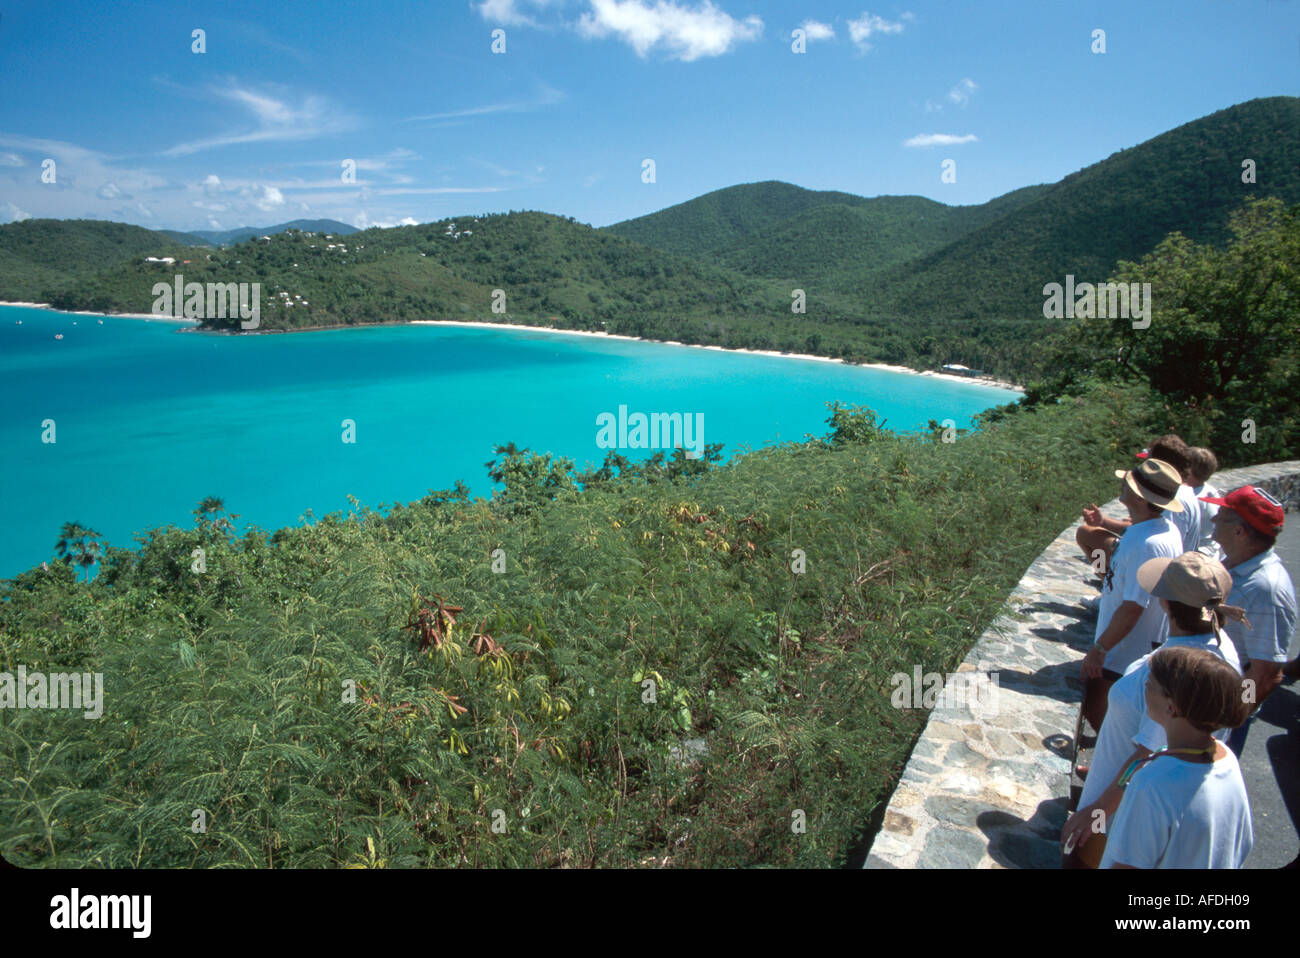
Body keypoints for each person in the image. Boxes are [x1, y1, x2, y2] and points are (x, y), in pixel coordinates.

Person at [1061, 552, 1244, 867]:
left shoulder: (1172, 669)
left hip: (1123, 813)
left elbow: (1147, 755)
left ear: (1167, 604)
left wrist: (1098, 810)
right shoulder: (1219, 647)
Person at [1098, 645, 1254, 869]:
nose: (1144, 685)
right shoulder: (1227, 759)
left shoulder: (1152, 784)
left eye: (1150, 683)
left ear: (1171, 707)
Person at [1079, 458, 1185, 732]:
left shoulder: (1145, 545)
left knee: (1098, 710)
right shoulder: (1163, 529)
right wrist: (1103, 522)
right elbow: (1134, 534)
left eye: (1130, 483)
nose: (1123, 483)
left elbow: (1133, 607)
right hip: (1139, 645)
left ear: (1139, 497)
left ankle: (1118, 768)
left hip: (1123, 651)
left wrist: (1100, 648)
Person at [1203, 485, 1297, 754]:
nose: (1213, 518)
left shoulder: (1267, 591)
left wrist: (1232, 716)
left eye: (1220, 513)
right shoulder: (1235, 561)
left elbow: (1266, 673)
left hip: (1217, 713)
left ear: (1239, 532)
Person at [1077, 435, 1199, 568]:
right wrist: (1103, 522)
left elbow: (1152, 538)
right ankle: (1109, 578)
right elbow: (1144, 526)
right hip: (1157, 561)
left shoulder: (1167, 499)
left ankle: (1106, 575)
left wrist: (1104, 524)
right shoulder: (1177, 491)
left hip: (1156, 565)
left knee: (1086, 534)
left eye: (1148, 460)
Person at [1186, 446, 1223, 560]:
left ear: (1189, 471)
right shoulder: (1211, 492)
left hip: (1196, 558)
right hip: (1212, 554)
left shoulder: (1189, 500)